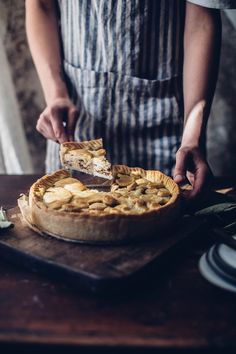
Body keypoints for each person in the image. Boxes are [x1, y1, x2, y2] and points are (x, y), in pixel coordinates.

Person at [25, 0, 236, 201]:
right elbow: (41, 4)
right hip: (77, 116)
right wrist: (55, 94)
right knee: (66, 218)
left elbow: (202, 19)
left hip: (168, 122)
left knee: (166, 227)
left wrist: (192, 135)